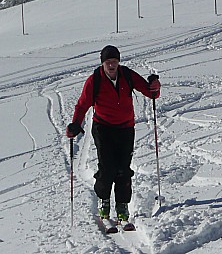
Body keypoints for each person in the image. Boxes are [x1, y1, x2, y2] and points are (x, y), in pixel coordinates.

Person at [66, 45, 161, 223]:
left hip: (126, 128)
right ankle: (104, 200)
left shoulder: (127, 75)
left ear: (118, 62)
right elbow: (82, 105)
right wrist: (75, 125)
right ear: (103, 63)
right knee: (107, 167)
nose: (111, 65)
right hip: (103, 128)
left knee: (123, 169)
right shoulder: (94, 80)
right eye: (108, 62)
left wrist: (155, 86)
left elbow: (150, 92)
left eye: (114, 62)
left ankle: (122, 205)